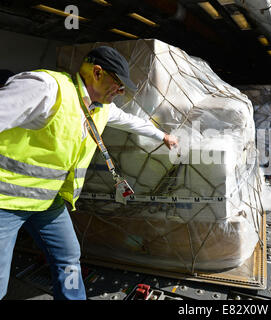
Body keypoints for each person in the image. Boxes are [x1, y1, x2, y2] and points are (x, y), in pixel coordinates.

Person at [0, 46, 178, 300]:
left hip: (47, 202)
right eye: (118, 85)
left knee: (69, 257)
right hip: (4, 202)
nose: (121, 92)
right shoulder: (47, 88)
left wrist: (163, 136)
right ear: (97, 73)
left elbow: (131, 121)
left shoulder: (100, 109)